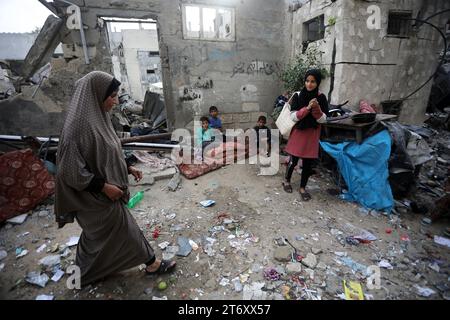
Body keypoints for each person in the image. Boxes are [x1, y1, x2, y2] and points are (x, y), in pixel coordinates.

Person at [54, 71, 175, 287]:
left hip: (103, 195)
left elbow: (108, 151)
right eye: (112, 96)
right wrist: (104, 187)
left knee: (96, 239)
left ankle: (82, 276)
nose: (116, 101)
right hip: (93, 198)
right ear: (96, 95)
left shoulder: (99, 119)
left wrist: (127, 166)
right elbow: (70, 172)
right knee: (125, 230)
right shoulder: (76, 129)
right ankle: (152, 264)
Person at [282, 69, 329, 201]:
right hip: (299, 133)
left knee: (308, 163)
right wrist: (307, 108)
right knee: (293, 160)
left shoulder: (321, 97)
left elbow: (324, 119)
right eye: (307, 81)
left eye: (313, 81)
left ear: (318, 82)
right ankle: (286, 181)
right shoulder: (298, 95)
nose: (309, 84)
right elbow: (293, 117)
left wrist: (317, 109)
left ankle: (302, 187)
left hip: (312, 134)